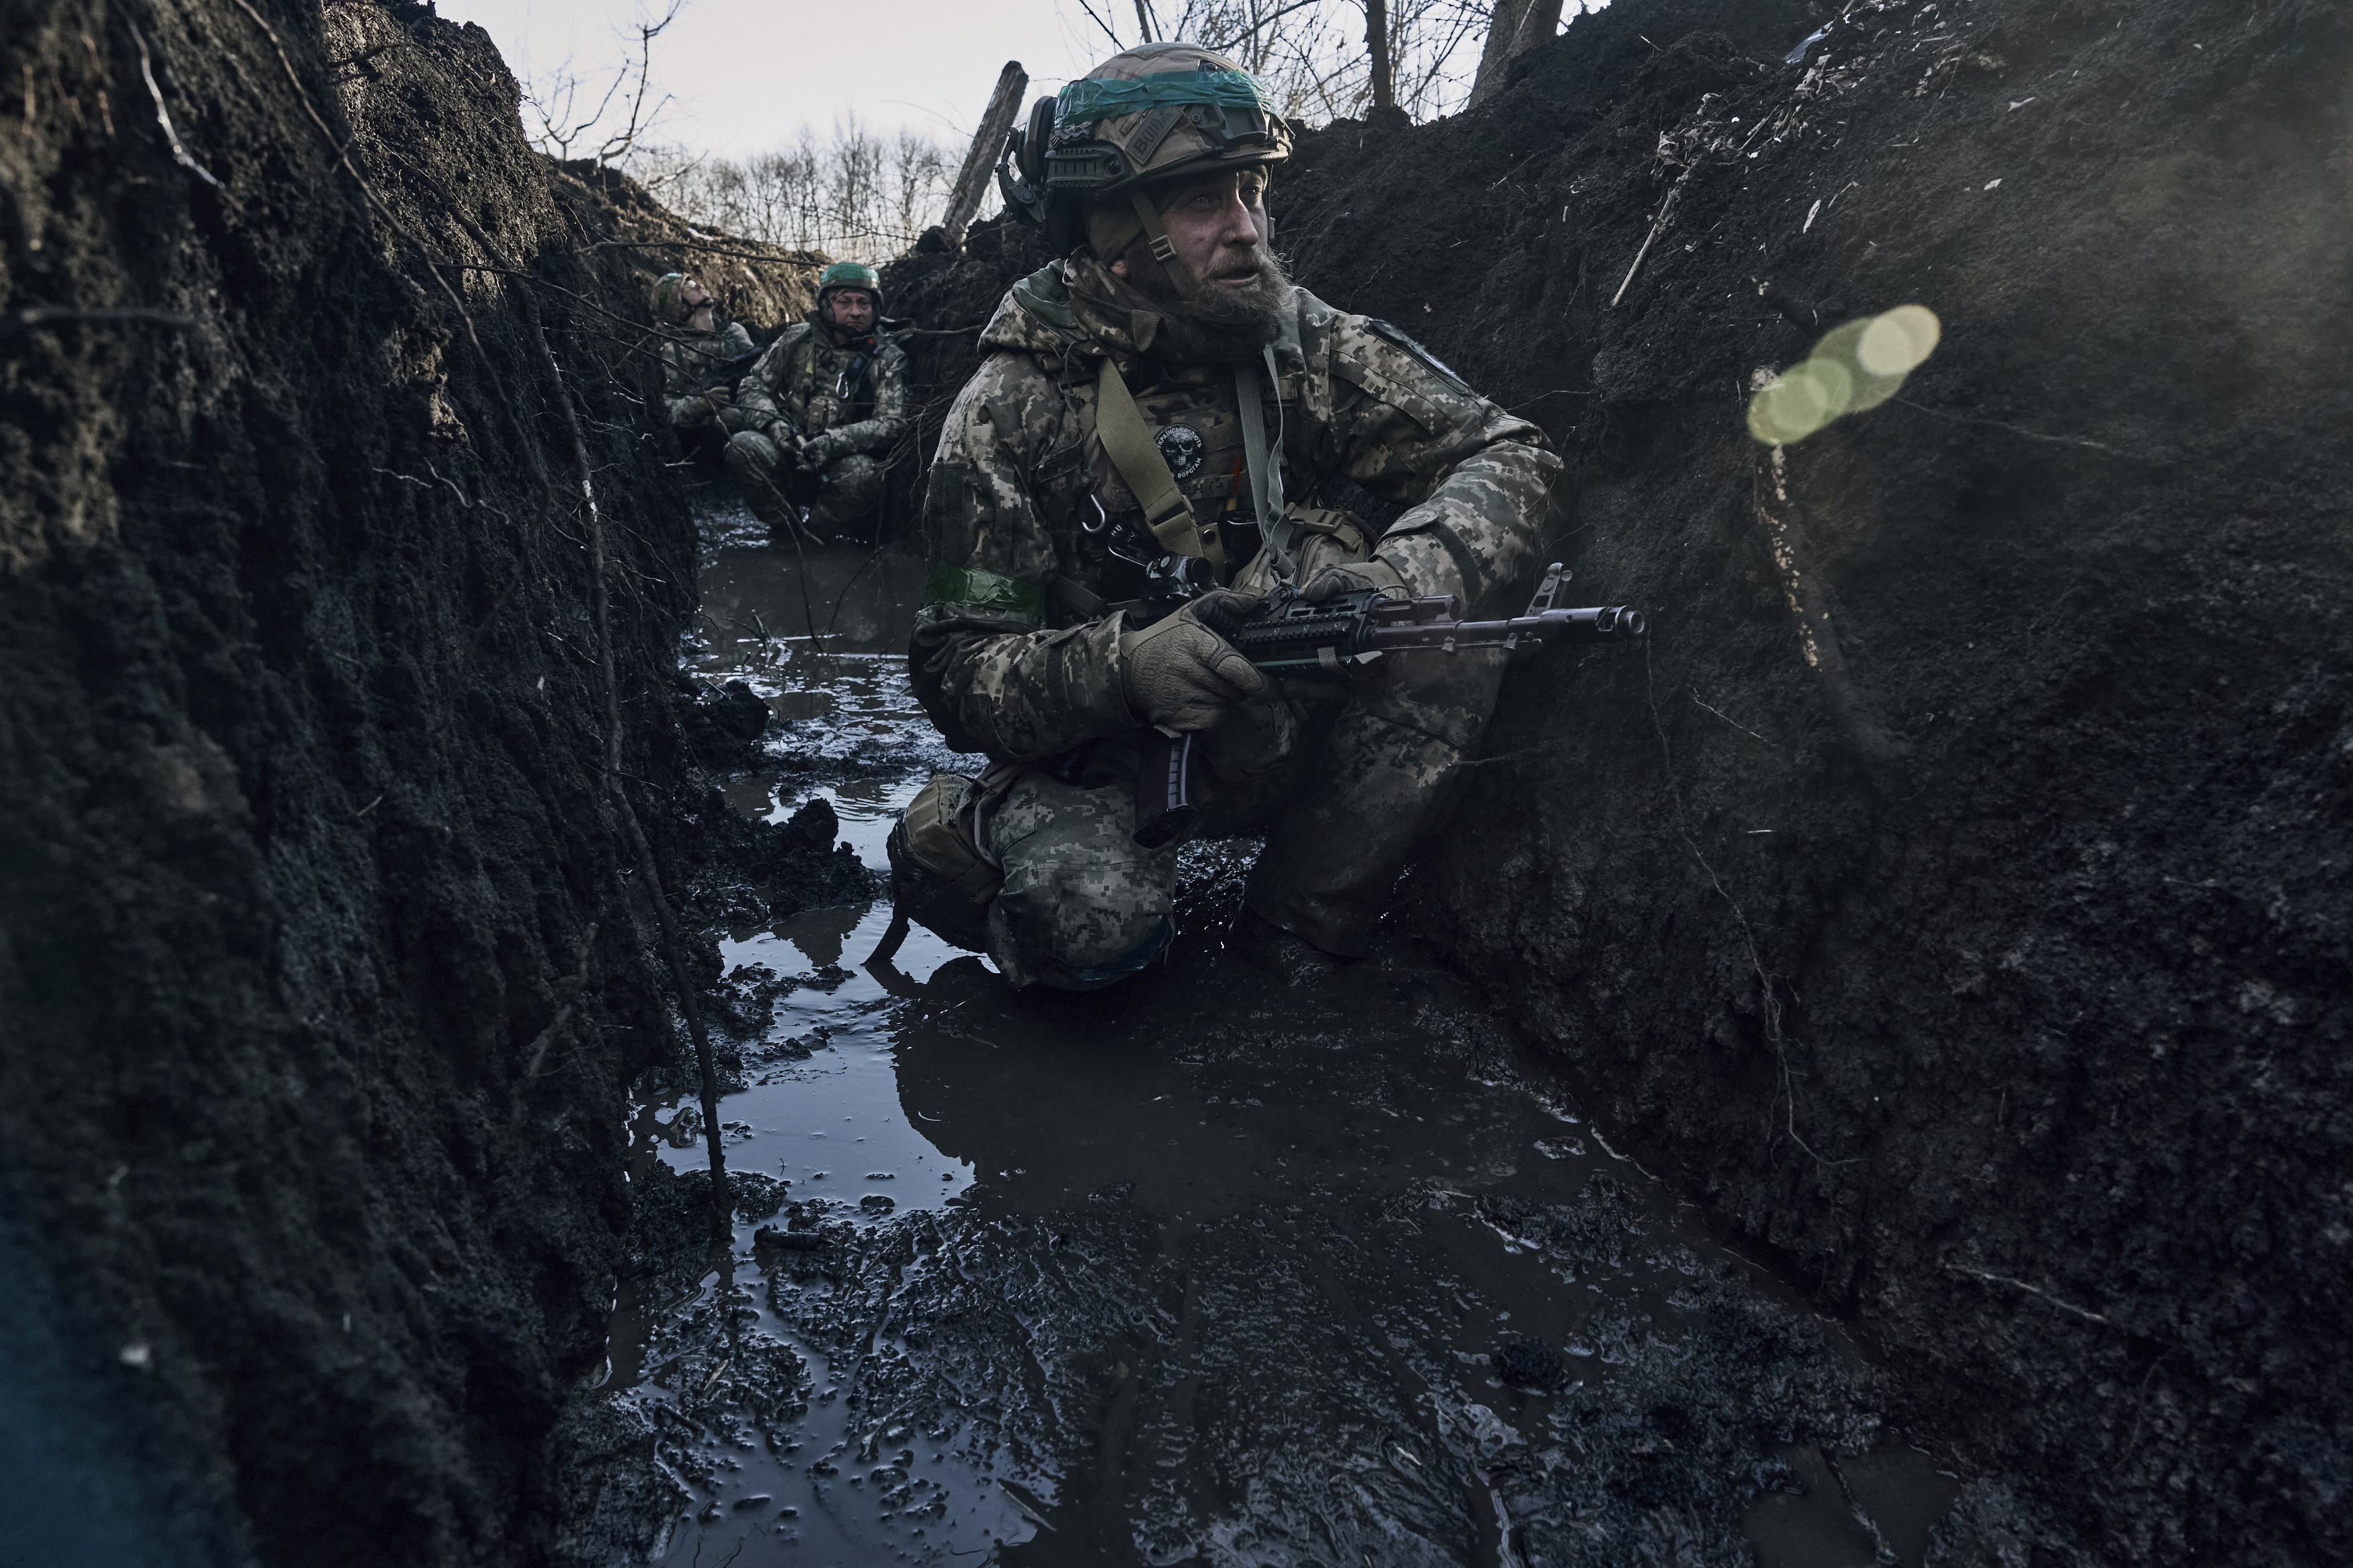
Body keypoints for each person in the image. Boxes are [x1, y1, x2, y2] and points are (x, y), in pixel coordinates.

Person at [894, 43, 1560, 991]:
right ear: (1114, 227)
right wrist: (1127, 668)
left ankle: (1293, 938)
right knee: (1088, 927)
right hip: (1102, 756)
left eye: (1253, 192)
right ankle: (960, 846)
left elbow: (1512, 452)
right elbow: (957, 670)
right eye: (1206, 201)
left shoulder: (1294, 339)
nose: (1247, 231)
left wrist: (1398, 581)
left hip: (1272, 702)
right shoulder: (1010, 406)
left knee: (1445, 638)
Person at [725, 260, 911, 542]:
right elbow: (754, 386)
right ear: (825, 305)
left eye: (864, 303)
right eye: (844, 302)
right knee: (742, 447)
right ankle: (786, 533)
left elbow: (893, 422)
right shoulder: (797, 340)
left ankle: (815, 540)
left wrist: (832, 442)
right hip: (788, 453)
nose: (855, 312)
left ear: (876, 308)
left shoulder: (887, 357)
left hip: (840, 465)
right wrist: (774, 425)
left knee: (863, 475)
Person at [653, 274, 756, 463]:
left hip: (752, 408)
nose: (700, 286)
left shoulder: (734, 333)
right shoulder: (672, 350)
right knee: (730, 418)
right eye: (689, 287)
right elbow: (666, 411)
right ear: (681, 306)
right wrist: (701, 404)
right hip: (705, 437)